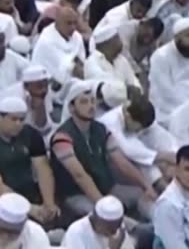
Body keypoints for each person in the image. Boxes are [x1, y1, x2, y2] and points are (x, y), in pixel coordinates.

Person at [50, 81, 156, 219]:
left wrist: (146, 186)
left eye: (93, 101)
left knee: (143, 196)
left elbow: (121, 162)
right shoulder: (62, 137)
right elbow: (79, 175)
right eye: (84, 102)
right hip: (76, 194)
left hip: (107, 188)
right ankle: (133, 231)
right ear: (71, 108)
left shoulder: (101, 129)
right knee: (103, 215)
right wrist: (102, 203)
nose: (90, 106)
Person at [0, 95, 58, 225]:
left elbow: (43, 169)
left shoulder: (31, 135)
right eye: (13, 119)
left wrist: (49, 203)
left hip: (26, 194)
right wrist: (30, 209)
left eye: (22, 119)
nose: (18, 124)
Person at [61, 195, 128, 249]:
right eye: (109, 227)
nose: (113, 232)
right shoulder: (76, 231)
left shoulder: (119, 230)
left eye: (117, 225)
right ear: (96, 220)